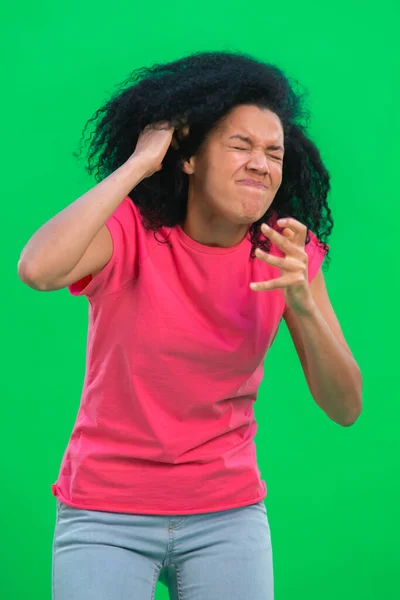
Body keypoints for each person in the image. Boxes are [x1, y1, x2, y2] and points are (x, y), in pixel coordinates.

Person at [18, 50, 362, 600]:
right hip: (106, 511)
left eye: (273, 152)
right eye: (240, 145)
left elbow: (345, 406)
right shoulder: (130, 231)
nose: (261, 163)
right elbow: (37, 270)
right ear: (189, 158)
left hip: (226, 514)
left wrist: (301, 301)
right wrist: (136, 165)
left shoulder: (286, 253)